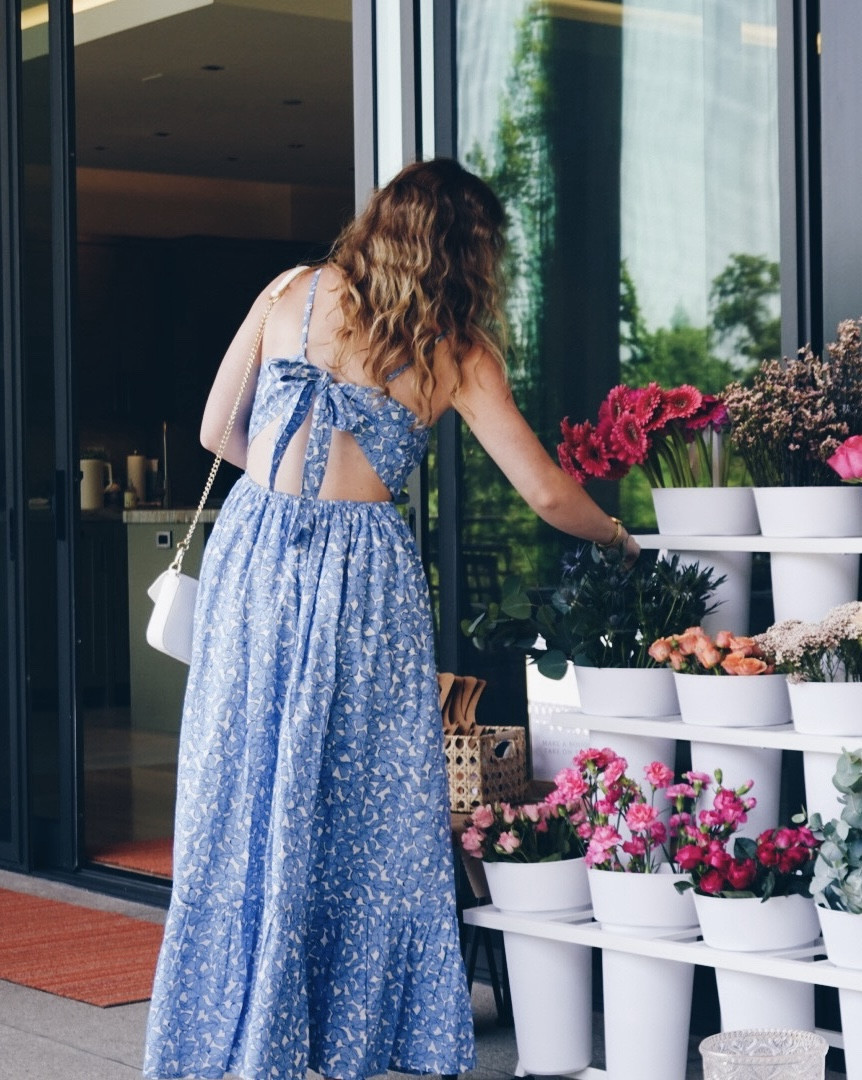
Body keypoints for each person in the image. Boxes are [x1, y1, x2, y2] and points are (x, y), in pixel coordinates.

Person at [142, 157, 639, 1080]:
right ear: (466, 253)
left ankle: (231, 1030)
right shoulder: (458, 352)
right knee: (365, 803)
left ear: (380, 224)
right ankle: (344, 1029)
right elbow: (543, 492)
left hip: (256, 555)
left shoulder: (289, 292)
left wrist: (287, 496)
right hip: (363, 579)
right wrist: (619, 538)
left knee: (243, 784)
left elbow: (216, 430)